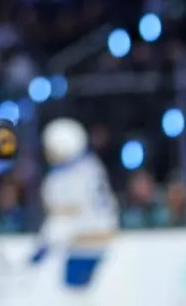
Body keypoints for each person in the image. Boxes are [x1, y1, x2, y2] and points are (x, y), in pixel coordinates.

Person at [30, 118, 119, 295]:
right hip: (105, 238)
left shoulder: (64, 178)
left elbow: (62, 217)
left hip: (83, 243)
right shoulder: (92, 166)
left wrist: (43, 246)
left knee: (73, 296)